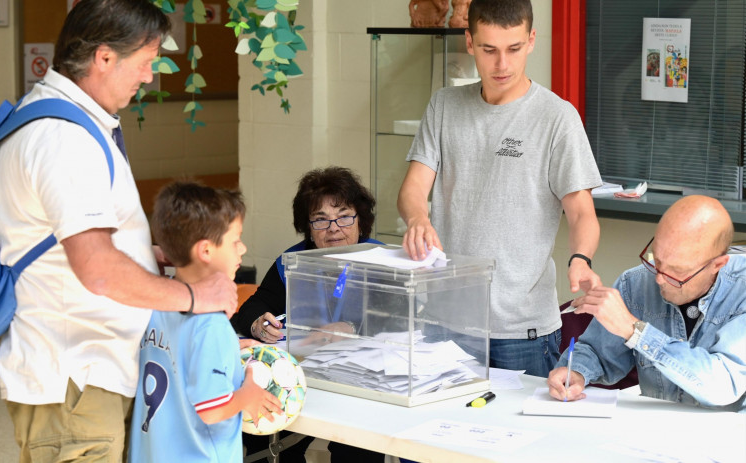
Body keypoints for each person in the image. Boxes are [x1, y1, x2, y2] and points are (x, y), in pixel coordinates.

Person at [0, 1, 238, 461]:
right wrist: (194, 298)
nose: (148, 76)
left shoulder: (57, 118)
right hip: (75, 385)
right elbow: (98, 268)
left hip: (82, 382)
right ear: (104, 57)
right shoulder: (63, 139)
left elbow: (82, 245)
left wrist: (146, 254)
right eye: (145, 62)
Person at [397, 0, 602, 377]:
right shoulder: (444, 106)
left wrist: (581, 258)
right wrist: (417, 219)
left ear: (532, 40)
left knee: (519, 436)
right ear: (471, 42)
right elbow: (413, 189)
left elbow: (581, 211)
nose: (502, 65)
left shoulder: (557, 118)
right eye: (489, 50)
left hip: (521, 331)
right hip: (446, 321)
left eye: (514, 49)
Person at [231, 166, 385, 463]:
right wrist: (259, 323)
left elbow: (397, 318)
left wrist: (350, 327)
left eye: (343, 216)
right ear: (308, 227)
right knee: (265, 436)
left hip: (362, 380)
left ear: (360, 219)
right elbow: (251, 307)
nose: (333, 228)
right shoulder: (292, 262)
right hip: (304, 375)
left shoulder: (381, 262)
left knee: (355, 449)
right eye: (320, 219)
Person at [128, 181, 282, 462]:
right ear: (206, 251)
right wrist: (247, 395)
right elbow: (212, 409)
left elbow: (180, 359)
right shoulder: (211, 325)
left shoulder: (158, 305)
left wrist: (227, 349)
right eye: (236, 240)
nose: (243, 248)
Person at [548, 195, 746, 412]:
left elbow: (725, 384)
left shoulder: (741, 291)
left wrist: (636, 332)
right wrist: (576, 371)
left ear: (717, 264)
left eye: (677, 272)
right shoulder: (636, 282)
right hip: (652, 433)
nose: (659, 278)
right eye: (658, 260)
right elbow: (598, 351)